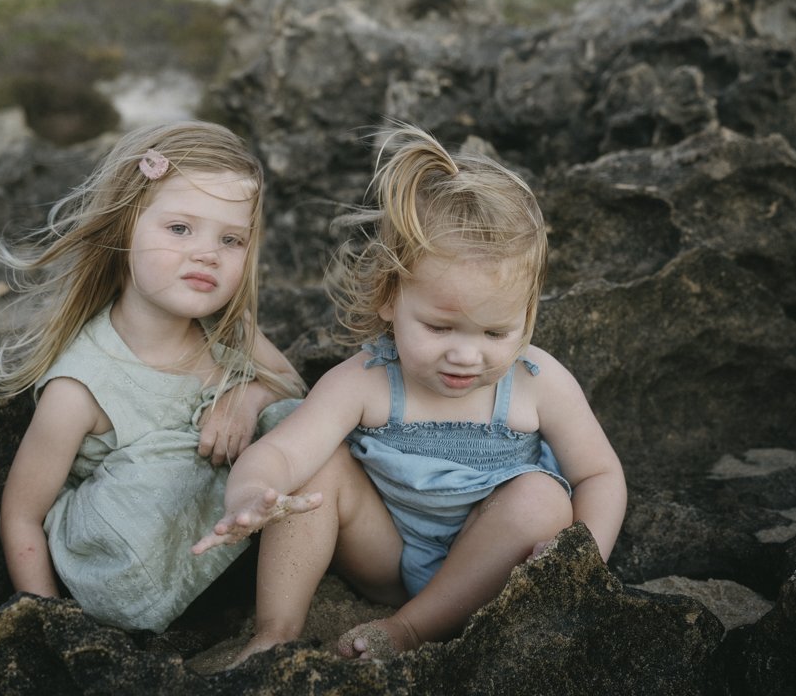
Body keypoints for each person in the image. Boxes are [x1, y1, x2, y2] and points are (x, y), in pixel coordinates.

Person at [192, 123, 626, 662]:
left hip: (492, 558)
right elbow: (284, 450)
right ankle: (275, 631)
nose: (467, 355)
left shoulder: (538, 382)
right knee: (315, 469)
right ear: (389, 299)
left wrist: (585, 559)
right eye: (440, 328)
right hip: (385, 555)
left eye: (496, 333)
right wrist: (252, 495)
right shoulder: (368, 379)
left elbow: (599, 475)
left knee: (543, 500)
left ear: (528, 315)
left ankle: (410, 630)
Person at [0, 120, 306, 633]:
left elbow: (294, 389)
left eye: (231, 239)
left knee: (291, 421)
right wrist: (45, 623)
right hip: (129, 565)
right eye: (180, 228)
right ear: (125, 229)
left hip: (218, 541)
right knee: (165, 470)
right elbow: (21, 514)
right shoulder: (80, 388)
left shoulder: (228, 328)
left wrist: (245, 398)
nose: (207, 254)